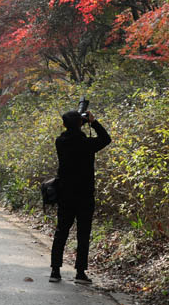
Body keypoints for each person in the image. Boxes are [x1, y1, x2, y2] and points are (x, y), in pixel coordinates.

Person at [49, 108, 111, 284]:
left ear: (64, 124)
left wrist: (78, 122)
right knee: (83, 234)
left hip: (65, 194)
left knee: (61, 232)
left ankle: (55, 271)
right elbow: (106, 139)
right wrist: (93, 122)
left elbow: (70, 132)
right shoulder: (86, 144)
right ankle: (80, 273)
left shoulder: (60, 141)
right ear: (80, 124)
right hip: (84, 195)